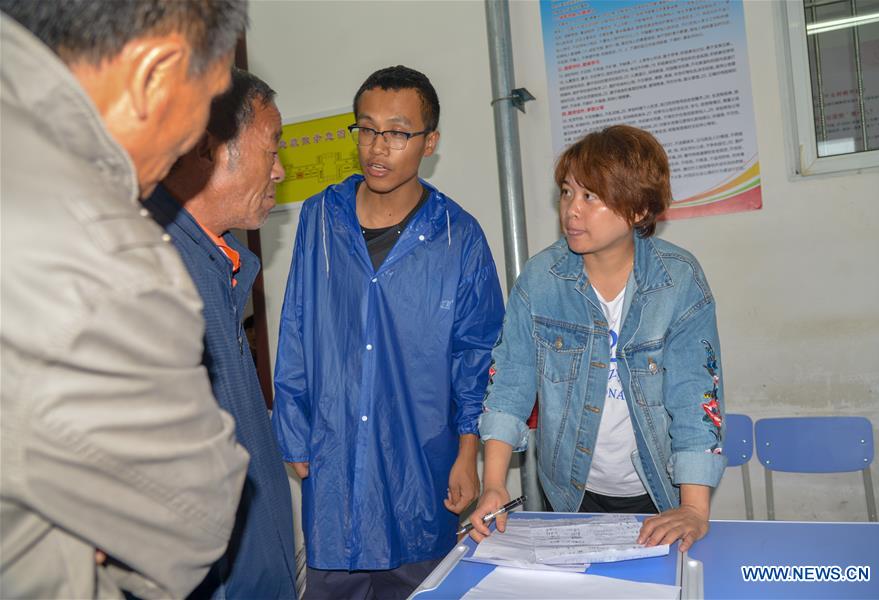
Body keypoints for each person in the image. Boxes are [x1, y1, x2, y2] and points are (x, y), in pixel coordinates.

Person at [0, 2, 251, 598]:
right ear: (154, 74)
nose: (197, 140)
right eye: (209, 99)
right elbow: (196, 519)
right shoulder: (100, 254)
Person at [272, 65, 504, 599]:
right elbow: (296, 327)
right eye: (367, 129)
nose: (378, 147)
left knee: (423, 583)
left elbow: (476, 356)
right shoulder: (321, 218)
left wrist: (467, 451)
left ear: (430, 142)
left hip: (420, 464)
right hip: (334, 460)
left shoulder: (458, 237)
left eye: (398, 133)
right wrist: (294, 427)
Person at [471, 125, 726, 553]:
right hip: (568, 490)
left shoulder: (678, 280)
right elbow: (511, 382)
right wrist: (493, 483)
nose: (572, 210)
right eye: (567, 193)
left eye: (591, 196)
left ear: (639, 209)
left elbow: (695, 395)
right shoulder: (541, 279)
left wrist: (694, 508)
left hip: (658, 491)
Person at [145, 67, 296, 599]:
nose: (279, 170)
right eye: (271, 149)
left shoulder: (218, 264)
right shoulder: (158, 276)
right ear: (210, 148)